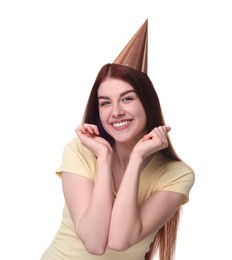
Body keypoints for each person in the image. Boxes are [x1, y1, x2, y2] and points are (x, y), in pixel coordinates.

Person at [41, 20, 195, 260]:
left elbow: (119, 240)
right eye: (105, 102)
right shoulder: (80, 151)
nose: (115, 112)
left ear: (147, 102)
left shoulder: (177, 175)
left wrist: (136, 160)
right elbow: (94, 242)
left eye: (127, 99)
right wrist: (104, 158)